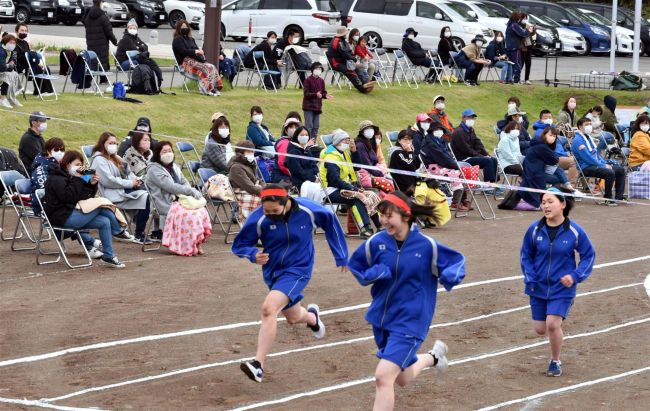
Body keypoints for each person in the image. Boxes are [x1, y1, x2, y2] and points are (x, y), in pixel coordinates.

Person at [348, 192, 465, 410]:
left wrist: (450, 275)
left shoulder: (427, 246)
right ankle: (433, 357)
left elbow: (455, 262)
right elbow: (356, 266)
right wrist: (373, 274)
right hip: (382, 318)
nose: (383, 221)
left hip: (412, 321)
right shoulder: (376, 242)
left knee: (383, 377)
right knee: (401, 378)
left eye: (388, 216)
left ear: (405, 215)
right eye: (381, 215)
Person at [232, 185, 348, 383]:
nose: (270, 215)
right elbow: (239, 245)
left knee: (269, 309)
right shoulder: (258, 218)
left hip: (299, 269)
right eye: (267, 211)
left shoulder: (307, 210)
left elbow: (331, 222)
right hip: (273, 271)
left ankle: (258, 365)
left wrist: (342, 256)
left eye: (275, 211)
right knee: (293, 317)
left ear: (286, 203)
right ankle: (312, 318)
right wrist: (253, 255)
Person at [520, 186, 595, 377]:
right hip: (537, 286)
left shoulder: (574, 231)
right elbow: (525, 255)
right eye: (543, 202)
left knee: (552, 324)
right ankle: (554, 330)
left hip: (562, 288)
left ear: (562, 204)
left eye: (550, 201)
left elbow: (588, 255)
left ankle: (555, 361)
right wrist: (529, 276)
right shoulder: (534, 229)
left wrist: (575, 276)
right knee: (540, 329)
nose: (546, 205)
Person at [43, 150, 132, 268]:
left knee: (104, 222)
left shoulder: (71, 177)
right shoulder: (56, 178)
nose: (79, 168)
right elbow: (69, 198)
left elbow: (82, 197)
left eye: (81, 165)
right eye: (76, 165)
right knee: (101, 206)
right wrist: (79, 179)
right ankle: (118, 231)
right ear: (67, 164)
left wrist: (91, 184)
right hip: (61, 217)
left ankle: (109, 256)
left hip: (71, 213)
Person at [145, 141, 210, 256]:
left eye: (170, 151)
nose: (168, 154)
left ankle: (197, 243)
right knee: (191, 215)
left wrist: (190, 193)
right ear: (157, 154)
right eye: (164, 151)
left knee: (201, 210)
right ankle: (186, 246)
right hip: (165, 203)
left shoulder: (175, 166)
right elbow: (170, 187)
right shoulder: (153, 170)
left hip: (180, 200)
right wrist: (191, 191)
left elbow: (184, 181)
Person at [90, 131, 151, 243]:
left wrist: (136, 180)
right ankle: (139, 233)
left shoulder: (115, 157)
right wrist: (130, 183)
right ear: (103, 143)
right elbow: (109, 181)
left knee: (149, 193)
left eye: (115, 143)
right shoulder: (99, 160)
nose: (114, 145)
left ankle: (151, 230)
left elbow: (129, 171)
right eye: (111, 143)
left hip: (124, 188)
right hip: (112, 193)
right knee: (146, 197)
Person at [319, 129, 379, 238]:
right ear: (338, 141)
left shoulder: (344, 153)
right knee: (357, 198)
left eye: (348, 140)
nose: (348, 143)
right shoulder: (330, 156)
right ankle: (365, 228)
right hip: (329, 190)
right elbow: (334, 180)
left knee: (371, 195)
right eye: (346, 141)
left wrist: (354, 151)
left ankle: (379, 226)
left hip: (344, 187)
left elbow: (356, 167)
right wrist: (353, 188)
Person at [571, 117, 626, 204]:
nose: (589, 126)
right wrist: (602, 165)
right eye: (586, 125)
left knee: (620, 170)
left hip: (595, 164)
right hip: (586, 167)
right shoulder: (578, 140)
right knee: (609, 172)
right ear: (580, 127)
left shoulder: (588, 138)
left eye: (590, 124)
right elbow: (588, 157)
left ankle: (619, 196)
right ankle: (608, 198)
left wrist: (604, 163)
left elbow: (596, 154)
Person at [420, 122, 471, 211]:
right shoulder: (429, 143)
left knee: (463, 172)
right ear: (431, 131)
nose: (439, 131)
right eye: (436, 130)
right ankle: (455, 202)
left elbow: (446, 156)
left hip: (441, 165)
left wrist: (455, 165)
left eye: (440, 130)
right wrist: (455, 166)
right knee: (456, 173)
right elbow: (441, 158)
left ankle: (462, 200)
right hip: (431, 168)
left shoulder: (439, 141)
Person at [450, 109, 500, 190]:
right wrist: (481, 156)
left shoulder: (470, 130)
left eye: (473, 118)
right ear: (463, 118)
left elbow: (478, 143)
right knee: (487, 161)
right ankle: (487, 186)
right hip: (463, 158)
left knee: (493, 159)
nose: (471, 120)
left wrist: (486, 154)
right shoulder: (458, 132)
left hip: (471, 156)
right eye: (469, 117)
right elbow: (466, 150)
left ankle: (493, 184)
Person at [516, 127, 561, 211]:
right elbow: (554, 159)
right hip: (534, 175)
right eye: (550, 135)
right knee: (557, 178)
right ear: (544, 135)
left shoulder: (538, 144)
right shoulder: (541, 147)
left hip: (533, 173)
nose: (552, 138)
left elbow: (553, 159)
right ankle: (557, 198)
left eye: (554, 136)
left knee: (558, 174)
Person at [172, 20, 220, 96]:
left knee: (211, 67)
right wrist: (195, 51)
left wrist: (200, 53)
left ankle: (213, 88)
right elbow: (183, 51)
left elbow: (197, 50)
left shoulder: (191, 39)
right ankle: (205, 90)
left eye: (186, 26)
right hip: (184, 64)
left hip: (195, 61)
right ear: (178, 28)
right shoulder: (177, 40)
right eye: (183, 27)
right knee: (204, 68)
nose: (185, 28)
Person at [533, 110, 579, 188]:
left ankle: (573, 186)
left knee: (578, 158)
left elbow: (559, 145)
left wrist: (567, 152)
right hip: (552, 158)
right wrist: (565, 154)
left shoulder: (553, 130)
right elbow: (548, 150)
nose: (548, 119)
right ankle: (570, 187)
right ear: (540, 119)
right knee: (574, 162)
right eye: (545, 118)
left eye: (550, 117)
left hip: (559, 156)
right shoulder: (540, 132)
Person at [115, 19, 163, 88]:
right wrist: (140, 47)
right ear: (127, 28)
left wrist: (139, 47)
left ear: (137, 29)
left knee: (146, 60)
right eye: (130, 28)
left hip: (133, 59)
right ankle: (155, 76)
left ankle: (156, 76)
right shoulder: (126, 39)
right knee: (143, 61)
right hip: (122, 63)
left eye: (134, 28)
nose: (132, 29)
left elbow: (146, 47)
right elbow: (135, 50)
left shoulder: (136, 38)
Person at [326, 26, 374, 93]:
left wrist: (355, 61)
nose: (346, 34)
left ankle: (366, 83)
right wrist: (355, 61)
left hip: (343, 62)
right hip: (336, 63)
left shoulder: (342, 41)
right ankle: (362, 89)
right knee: (350, 71)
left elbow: (349, 52)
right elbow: (345, 54)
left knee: (357, 69)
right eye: (346, 33)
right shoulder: (337, 41)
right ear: (343, 34)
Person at [228, 140, 265, 221]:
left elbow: (257, 180)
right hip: (241, 193)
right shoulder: (236, 167)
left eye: (252, 151)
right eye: (249, 151)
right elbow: (250, 187)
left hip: (252, 190)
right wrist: (265, 190)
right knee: (269, 200)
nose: (252, 154)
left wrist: (268, 188)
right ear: (241, 152)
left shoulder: (249, 164)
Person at [14, 23, 54, 95]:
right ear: (17, 32)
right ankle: (42, 91)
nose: (24, 32)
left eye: (26, 31)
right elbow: (15, 58)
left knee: (46, 68)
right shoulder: (14, 43)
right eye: (22, 30)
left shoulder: (25, 43)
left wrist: (36, 53)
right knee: (39, 68)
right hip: (20, 65)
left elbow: (30, 54)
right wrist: (30, 55)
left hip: (29, 63)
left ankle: (48, 90)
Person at [355, 120, 394, 194]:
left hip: (373, 173)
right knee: (387, 184)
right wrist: (381, 174)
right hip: (365, 176)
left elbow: (376, 160)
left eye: (371, 128)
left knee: (390, 180)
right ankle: (387, 203)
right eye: (367, 129)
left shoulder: (368, 143)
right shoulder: (360, 145)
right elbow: (367, 165)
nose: (370, 130)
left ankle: (387, 202)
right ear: (362, 132)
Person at [30, 137, 65, 216]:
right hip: (46, 206)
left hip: (60, 203)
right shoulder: (41, 166)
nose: (60, 152)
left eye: (62, 150)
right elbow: (44, 189)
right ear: (48, 151)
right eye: (56, 150)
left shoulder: (61, 164)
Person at [83, 0, 117, 82]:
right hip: (102, 44)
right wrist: (115, 41)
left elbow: (84, 21)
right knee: (102, 61)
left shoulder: (89, 15)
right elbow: (109, 32)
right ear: (100, 3)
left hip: (91, 43)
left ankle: (89, 80)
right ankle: (103, 79)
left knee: (93, 60)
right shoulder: (103, 16)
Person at [284, 126, 321, 196]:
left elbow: (314, 166)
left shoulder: (306, 150)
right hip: (301, 184)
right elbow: (298, 171)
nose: (304, 137)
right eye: (302, 135)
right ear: (296, 136)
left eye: (306, 135)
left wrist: (317, 177)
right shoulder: (293, 152)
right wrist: (313, 178)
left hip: (312, 181)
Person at [303, 62, 332, 139]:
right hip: (308, 107)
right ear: (312, 70)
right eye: (316, 68)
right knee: (309, 126)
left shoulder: (321, 81)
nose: (318, 70)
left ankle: (313, 142)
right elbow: (306, 94)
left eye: (320, 69)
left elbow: (322, 92)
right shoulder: (307, 80)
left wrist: (325, 95)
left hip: (317, 107)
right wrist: (315, 94)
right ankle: (307, 142)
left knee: (316, 126)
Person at [270, 117, 301, 183]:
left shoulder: (296, 142)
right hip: (281, 175)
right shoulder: (284, 142)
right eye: (291, 127)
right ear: (286, 130)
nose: (294, 129)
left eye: (296, 127)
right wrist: (293, 175)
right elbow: (282, 163)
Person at [505, 11, 531, 85]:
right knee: (517, 64)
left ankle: (509, 79)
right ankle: (516, 80)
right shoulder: (514, 25)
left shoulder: (509, 24)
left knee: (510, 64)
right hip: (515, 48)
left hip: (509, 47)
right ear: (517, 18)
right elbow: (522, 34)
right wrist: (528, 31)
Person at [0, 33, 23, 108]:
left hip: (3, 71)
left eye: (14, 43)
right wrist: (9, 65)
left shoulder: (11, 51)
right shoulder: (1, 51)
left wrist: (9, 66)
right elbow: (3, 67)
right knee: (7, 75)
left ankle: (12, 97)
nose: (12, 45)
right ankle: (2, 99)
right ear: (5, 42)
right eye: (10, 43)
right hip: (2, 72)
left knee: (14, 74)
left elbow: (14, 64)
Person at [521, 13, 536, 85]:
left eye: (525, 18)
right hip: (523, 47)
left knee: (528, 63)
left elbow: (532, 34)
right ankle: (517, 78)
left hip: (529, 46)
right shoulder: (518, 26)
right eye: (523, 18)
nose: (524, 20)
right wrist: (527, 31)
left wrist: (533, 29)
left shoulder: (527, 25)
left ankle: (527, 79)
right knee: (521, 63)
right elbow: (523, 35)